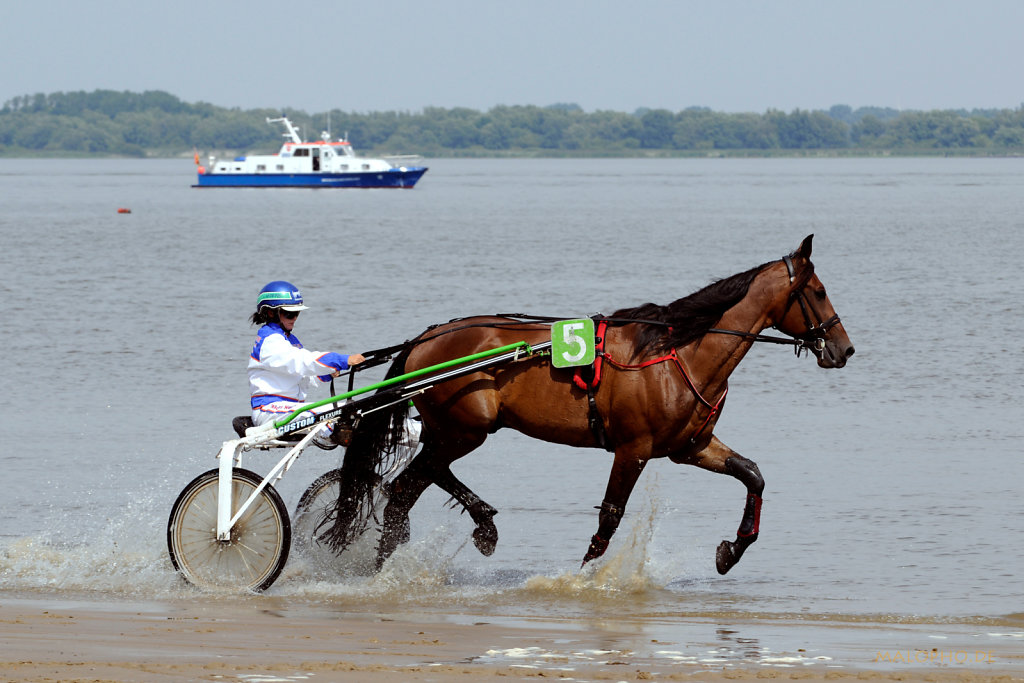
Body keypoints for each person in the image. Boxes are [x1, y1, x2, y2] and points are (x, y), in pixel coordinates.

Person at [248, 280, 363, 447]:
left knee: (353, 410)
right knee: (334, 413)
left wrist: (325, 373)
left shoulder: (288, 340)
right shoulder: (270, 340)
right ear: (271, 313)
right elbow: (302, 361)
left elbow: (302, 375)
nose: (294, 318)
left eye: (297, 313)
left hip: (289, 409)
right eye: (289, 313)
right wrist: (342, 360)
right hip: (269, 411)